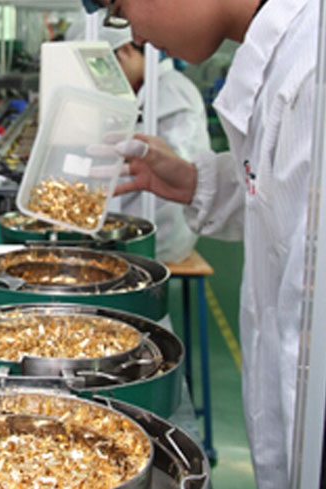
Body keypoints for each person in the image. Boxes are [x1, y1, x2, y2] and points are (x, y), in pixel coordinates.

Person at [81, 0, 317, 487]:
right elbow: (280, 193)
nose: (136, 37)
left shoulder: (311, 73)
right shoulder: (288, 61)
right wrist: (193, 181)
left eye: (122, 10)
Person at [99, 26, 210, 263]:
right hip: (151, 222)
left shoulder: (172, 91)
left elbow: (175, 164)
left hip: (163, 234)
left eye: (112, 66)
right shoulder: (152, 89)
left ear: (126, 50)